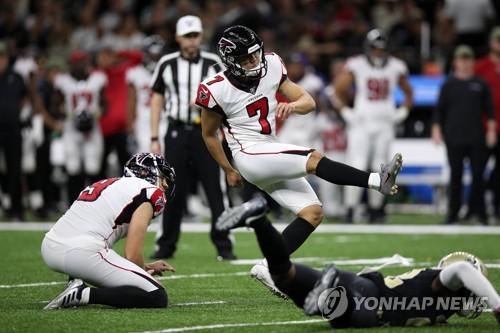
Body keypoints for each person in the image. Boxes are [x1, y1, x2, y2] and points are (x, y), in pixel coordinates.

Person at [196, 25, 402, 295]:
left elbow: (308, 101)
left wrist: (291, 106)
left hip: (270, 147)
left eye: (255, 54)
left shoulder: (271, 63)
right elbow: (209, 134)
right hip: (248, 154)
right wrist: (228, 168)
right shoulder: (215, 89)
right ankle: (378, 181)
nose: (254, 61)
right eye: (246, 59)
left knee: (312, 213)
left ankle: (268, 267)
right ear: (231, 62)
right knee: (313, 158)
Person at [216, 197, 500, 328]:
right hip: (369, 298)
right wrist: (497, 304)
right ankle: (330, 295)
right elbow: (462, 268)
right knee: (346, 316)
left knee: (283, 274)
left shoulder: (444, 307)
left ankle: (259, 220)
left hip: (361, 285)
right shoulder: (443, 284)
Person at [42, 153, 176, 310]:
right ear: (147, 173)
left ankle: (75, 280)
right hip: (82, 253)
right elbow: (132, 254)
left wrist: (144, 267)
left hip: (50, 248)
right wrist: (143, 277)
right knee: (156, 295)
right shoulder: (151, 192)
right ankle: (82, 294)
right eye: (163, 177)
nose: (166, 184)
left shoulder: (108, 183)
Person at [150, 15, 235, 261]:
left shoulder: (213, 62)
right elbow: (157, 99)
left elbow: (228, 93)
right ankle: (166, 245)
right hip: (175, 130)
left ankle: (224, 245)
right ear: (177, 38)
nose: (191, 41)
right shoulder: (166, 63)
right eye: (187, 36)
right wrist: (154, 136)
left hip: (205, 131)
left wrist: (203, 101)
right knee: (170, 188)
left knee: (215, 188)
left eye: (195, 35)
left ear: (201, 36)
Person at [335, 28, 413, 223]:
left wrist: (402, 111)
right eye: (375, 48)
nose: (379, 52)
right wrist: (346, 111)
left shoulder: (396, 66)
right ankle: (351, 208)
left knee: (382, 167)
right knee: (357, 165)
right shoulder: (357, 65)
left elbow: (409, 93)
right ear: (368, 48)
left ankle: (376, 209)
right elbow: (337, 89)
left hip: (385, 124)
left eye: (382, 48)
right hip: (362, 123)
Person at [432, 45, 496, 225]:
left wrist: (491, 131)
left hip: (476, 138)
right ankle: (453, 214)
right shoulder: (449, 85)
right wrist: (436, 130)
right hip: (454, 137)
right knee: (455, 177)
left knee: (478, 177)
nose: (465, 63)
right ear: (456, 62)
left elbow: (489, 111)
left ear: (472, 62)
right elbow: (439, 110)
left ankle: (481, 214)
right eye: (462, 60)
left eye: (468, 60)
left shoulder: (480, 84)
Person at [52, 50, 107, 204]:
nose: (80, 66)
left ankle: (95, 204)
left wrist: (94, 115)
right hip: (71, 130)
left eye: (83, 62)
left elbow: (105, 104)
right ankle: (72, 204)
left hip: (92, 130)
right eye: (77, 62)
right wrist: (69, 116)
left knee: (93, 168)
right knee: (73, 168)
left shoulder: (98, 79)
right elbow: (55, 104)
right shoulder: (63, 80)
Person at [0, 40, 28, 221]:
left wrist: (22, 115)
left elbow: (25, 98)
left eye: (2, 56)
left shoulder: (16, 76)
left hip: (12, 129)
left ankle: (16, 210)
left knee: (15, 170)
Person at [126, 34, 167, 154]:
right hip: (143, 121)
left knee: (165, 156)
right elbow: (131, 102)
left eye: (157, 56)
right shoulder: (135, 73)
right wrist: (130, 126)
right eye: (152, 56)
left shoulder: (169, 72)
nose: (155, 59)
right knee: (143, 154)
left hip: (164, 119)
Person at [475, 27, 500, 221]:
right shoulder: (480, 66)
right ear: (491, 43)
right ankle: (477, 209)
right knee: (478, 170)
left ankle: (496, 208)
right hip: (483, 128)